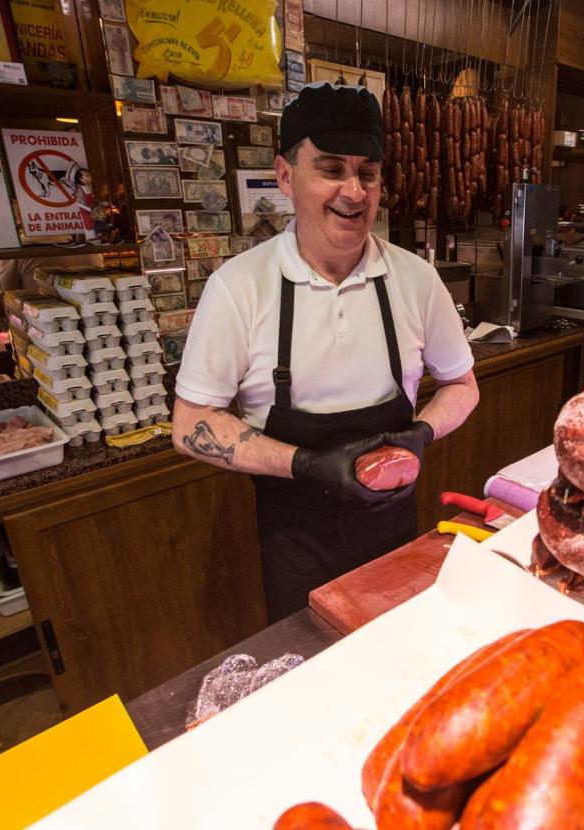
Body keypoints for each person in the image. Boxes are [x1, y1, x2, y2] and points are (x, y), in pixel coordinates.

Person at [172, 83, 479, 622]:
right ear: (286, 176)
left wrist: (422, 433)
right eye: (332, 169)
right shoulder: (239, 288)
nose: (354, 192)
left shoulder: (416, 280)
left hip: (395, 533)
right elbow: (191, 423)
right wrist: (307, 464)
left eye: (368, 173)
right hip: (296, 548)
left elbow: (462, 384)